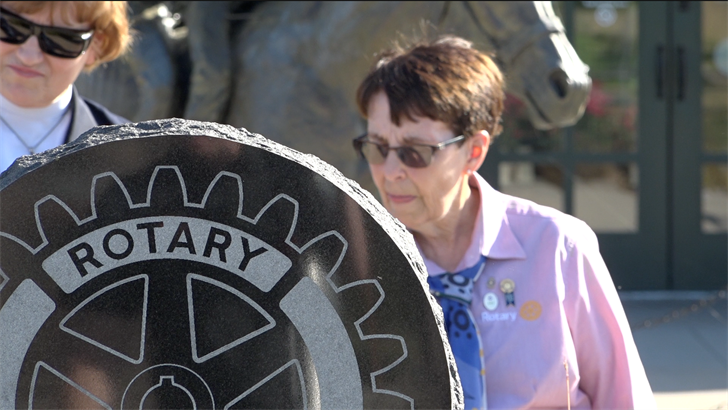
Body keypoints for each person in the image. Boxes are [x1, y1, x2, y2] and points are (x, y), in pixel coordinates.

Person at [353, 35, 655, 409]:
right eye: (377, 148)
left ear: (474, 152)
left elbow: (624, 397)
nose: (391, 171)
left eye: (415, 152)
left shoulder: (558, 245)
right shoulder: (354, 260)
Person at [0, 1, 131, 172]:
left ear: (96, 45)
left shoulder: (128, 154)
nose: (29, 56)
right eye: (10, 26)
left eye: (60, 39)